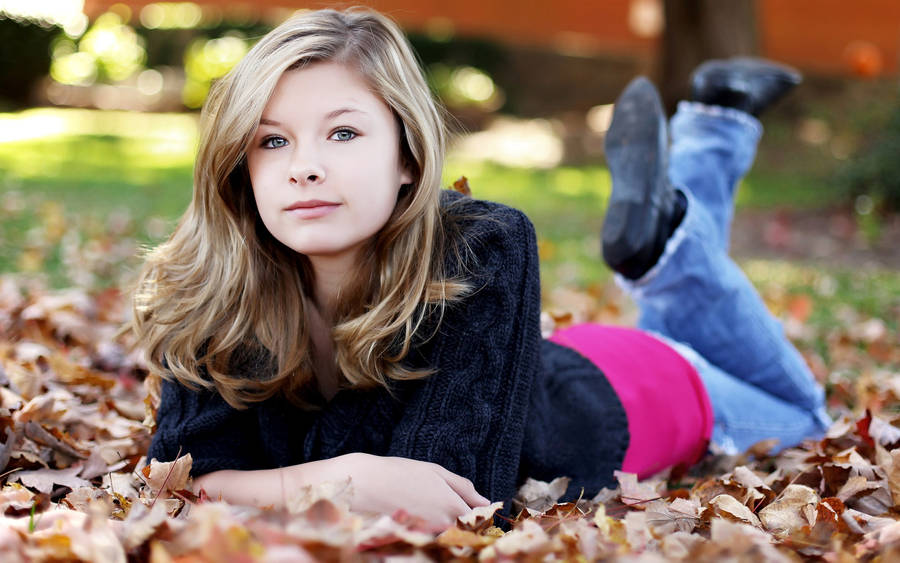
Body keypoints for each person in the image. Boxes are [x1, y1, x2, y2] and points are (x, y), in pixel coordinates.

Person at [130, 8, 830, 531]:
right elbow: (187, 479)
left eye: (343, 132)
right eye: (272, 140)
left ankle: (669, 234)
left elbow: (458, 499)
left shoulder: (482, 243)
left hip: (658, 392)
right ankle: (712, 131)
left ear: (407, 157)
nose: (304, 164)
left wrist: (278, 484)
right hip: (546, 365)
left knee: (807, 414)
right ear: (241, 168)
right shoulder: (211, 281)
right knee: (677, 313)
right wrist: (347, 475)